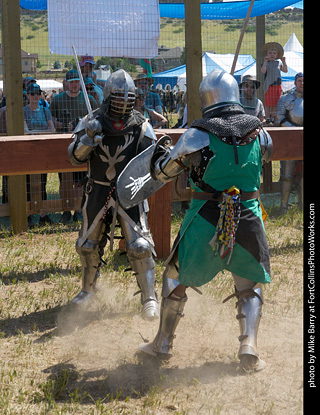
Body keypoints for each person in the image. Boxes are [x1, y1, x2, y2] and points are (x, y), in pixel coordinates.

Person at [139, 69, 273, 371]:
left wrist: (161, 153)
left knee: (174, 277)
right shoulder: (261, 133)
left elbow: (162, 173)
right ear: (236, 96)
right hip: (249, 217)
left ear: (205, 100)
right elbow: (260, 159)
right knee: (249, 283)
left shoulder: (197, 135)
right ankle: (248, 346)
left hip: (206, 218)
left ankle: (162, 342)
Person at [67, 69, 159, 320]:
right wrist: (88, 139)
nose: (124, 102)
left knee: (139, 246)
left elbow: (149, 160)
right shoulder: (91, 120)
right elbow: (74, 156)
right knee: (87, 245)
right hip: (97, 189)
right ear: (109, 96)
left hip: (129, 191)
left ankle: (149, 298)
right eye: (119, 96)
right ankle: (88, 291)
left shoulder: (141, 124)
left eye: (128, 97)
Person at [50, 69, 98, 223]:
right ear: (66, 83)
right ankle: (65, 210)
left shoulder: (89, 99)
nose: (75, 85)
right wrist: (64, 125)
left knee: (80, 181)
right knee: (64, 180)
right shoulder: (57, 99)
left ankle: (78, 209)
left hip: (84, 145)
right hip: (63, 143)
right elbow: (51, 119)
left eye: (77, 82)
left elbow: (97, 118)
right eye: (72, 82)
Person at [24, 82, 55, 226]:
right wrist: (40, 133)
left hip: (43, 151)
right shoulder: (23, 111)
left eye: (38, 93)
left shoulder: (45, 110)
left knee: (43, 182)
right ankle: (28, 214)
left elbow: (52, 130)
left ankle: (43, 214)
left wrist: (34, 133)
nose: (35, 96)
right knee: (28, 183)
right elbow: (25, 132)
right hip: (29, 151)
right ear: (27, 95)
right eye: (32, 93)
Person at [276, 72, 303, 214]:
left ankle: (303, 205)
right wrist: (295, 130)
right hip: (290, 140)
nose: (302, 83)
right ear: (295, 82)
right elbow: (279, 118)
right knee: (287, 176)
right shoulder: (286, 99)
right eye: (299, 80)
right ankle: (284, 207)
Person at [261, 42, 288, 124]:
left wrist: (284, 62)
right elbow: (263, 71)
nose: (272, 55)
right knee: (268, 104)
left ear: (277, 55)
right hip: (269, 86)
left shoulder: (278, 63)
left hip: (278, 86)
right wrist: (265, 62)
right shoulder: (265, 64)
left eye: (274, 53)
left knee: (275, 104)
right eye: (270, 53)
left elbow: (285, 70)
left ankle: (274, 118)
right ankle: (268, 118)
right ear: (267, 54)